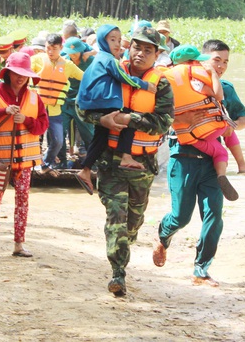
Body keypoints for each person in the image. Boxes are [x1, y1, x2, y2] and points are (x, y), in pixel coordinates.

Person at [78, 26, 174, 296]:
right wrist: (102, 120)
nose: (140, 53)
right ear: (128, 48)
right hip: (111, 163)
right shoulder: (110, 69)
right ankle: (117, 273)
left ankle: (126, 244)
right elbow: (83, 106)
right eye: (136, 47)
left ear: (157, 55)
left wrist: (131, 119)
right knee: (117, 219)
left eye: (148, 50)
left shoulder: (162, 83)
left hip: (143, 165)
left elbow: (163, 123)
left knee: (133, 222)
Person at [0, 52, 49, 257]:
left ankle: (19, 244)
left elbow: (43, 125)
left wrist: (26, 119)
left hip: (24, 160)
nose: (20, 77)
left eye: (24, 73)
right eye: (16, 73)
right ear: (7, 73)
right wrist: (2, 111)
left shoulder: (34, 97)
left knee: (23, 199)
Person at [75, 25, 157, 194]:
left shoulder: (98, 59)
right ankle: (126, 156)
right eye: (112, 40)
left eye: (119, 40)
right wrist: (145, 85)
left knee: (100, 137)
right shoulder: (108, 60)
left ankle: (85, 169)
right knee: (130, 118)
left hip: (93, 104)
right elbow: (123, 77)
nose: (117, 44)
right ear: (102, 40)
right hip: (105, 103)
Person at [162, 44, 238, 201]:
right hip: (210, 129)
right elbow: (217, 95)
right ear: (192, 62)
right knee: (222, 148)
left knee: (221, 143)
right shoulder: (198, 80)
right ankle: (227, 171)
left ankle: (231, 170)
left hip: (189, 136)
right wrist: (213, 76)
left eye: (225, 62)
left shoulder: (166, 82)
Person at [202, 39, 245, 174]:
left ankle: (241, 165)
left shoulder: (226, 88)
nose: (221, 66)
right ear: (203, 60)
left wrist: (231, 125)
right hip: (185, 150)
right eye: (217, 60)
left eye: (225, 62)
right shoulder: (188, 84)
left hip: (211, 154)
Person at [36, 33, 84, 175]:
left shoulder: (67, 65)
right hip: (36, 110)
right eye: (48, 48)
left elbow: (84, 76)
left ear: (61, 48)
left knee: (58, 141)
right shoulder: (37, 60)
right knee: (33, 141)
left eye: (54, 48)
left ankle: (46, 162)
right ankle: (34, 165)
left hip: (55, 111)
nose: (50, 52)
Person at [60, 37, 95, 167]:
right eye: (70, 52)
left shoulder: (90, 61)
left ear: (81, 51)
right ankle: (61, 161)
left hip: (83, 102)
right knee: (59, 132)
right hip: (65, 100)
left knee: (88, 133)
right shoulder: (63, 61)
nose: (72, 55)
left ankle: (92, 162)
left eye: (75, 52)